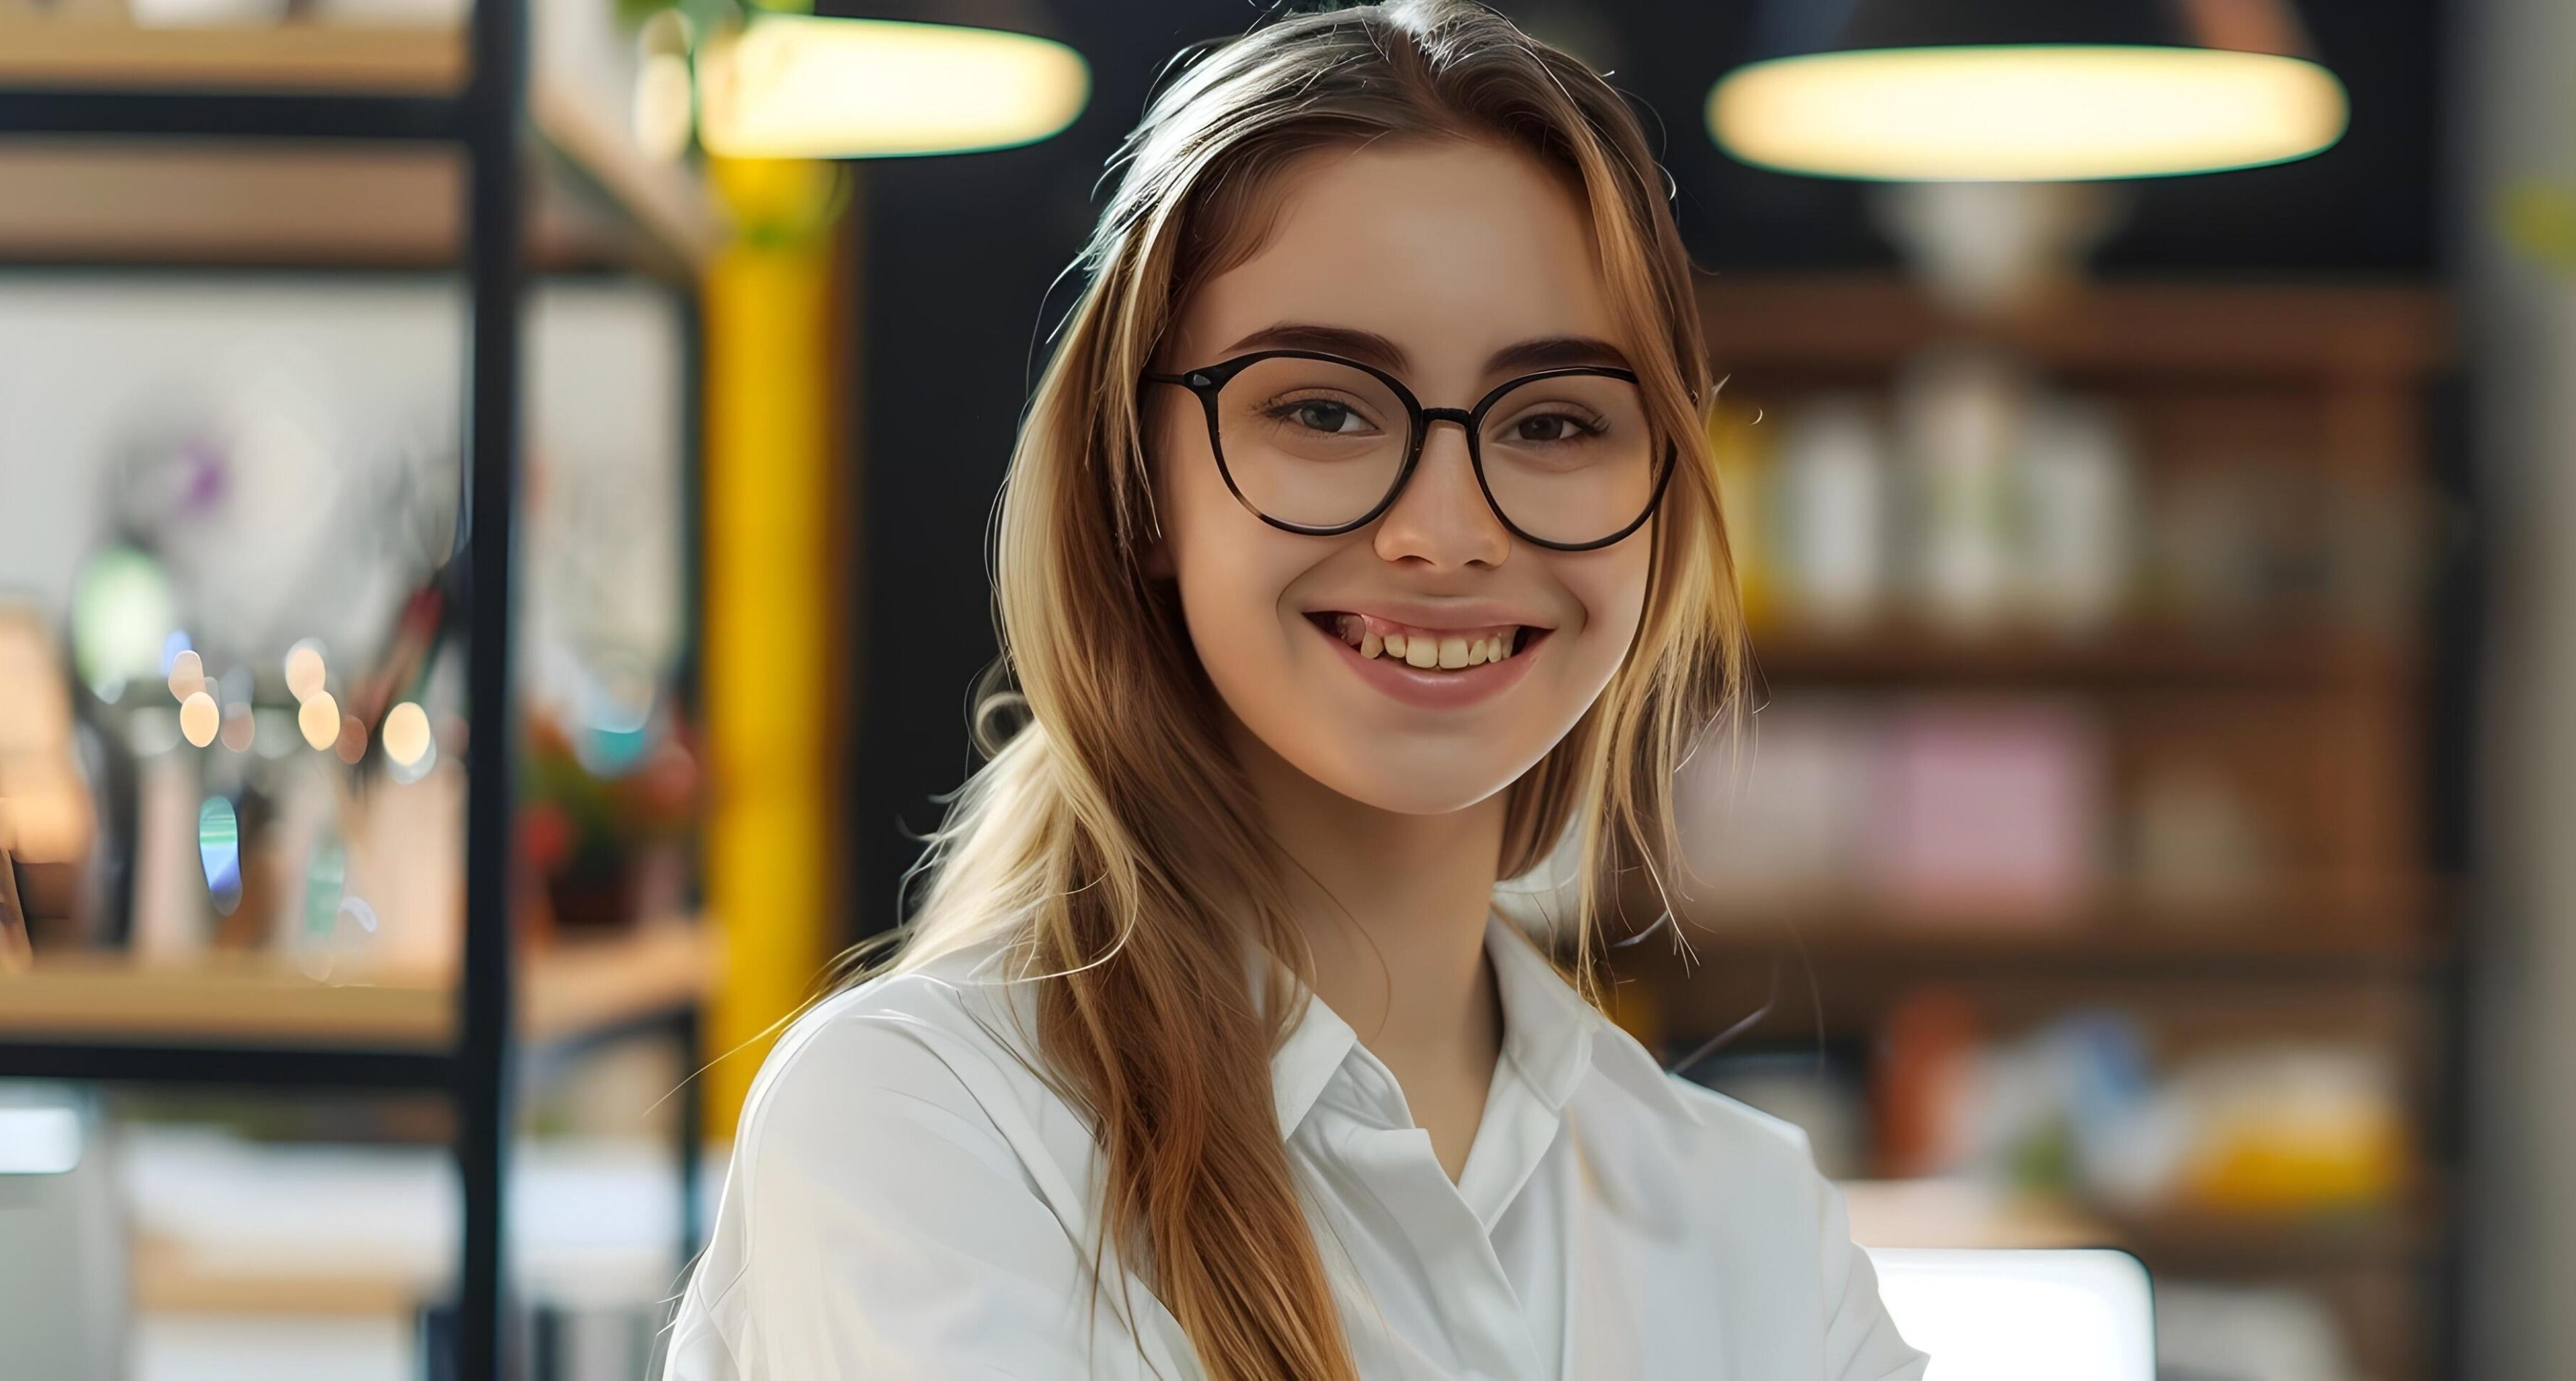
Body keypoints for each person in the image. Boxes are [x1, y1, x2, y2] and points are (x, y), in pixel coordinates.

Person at [663, 4, 1927, 1377]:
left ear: (1663, 503)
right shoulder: (922, 1127)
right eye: (1325, 408)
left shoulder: (1751, 1218)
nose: (1447, 531)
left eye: (1555, 420)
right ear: (1139, 482)